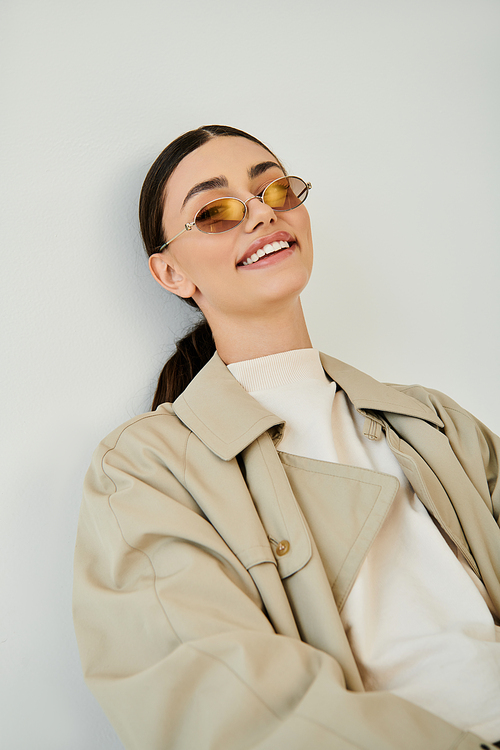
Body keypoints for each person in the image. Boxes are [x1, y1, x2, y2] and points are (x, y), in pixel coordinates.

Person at [73, 125, 500, 750]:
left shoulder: (436, 422)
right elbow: (220, 700)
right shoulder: (145, 467)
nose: (261, 213)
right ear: (169, 272)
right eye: (214, 211)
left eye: (275, 189)